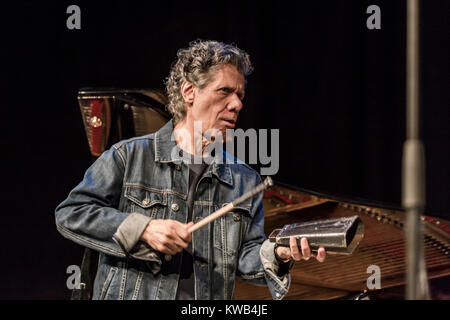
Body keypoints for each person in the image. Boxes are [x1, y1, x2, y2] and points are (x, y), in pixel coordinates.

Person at [55, 40, 326, 300]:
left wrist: (278, 254)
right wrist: (144, 229)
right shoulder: (129, 156)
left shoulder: (245, 180)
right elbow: (71, 214)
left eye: (240, 95)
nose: (237, 104)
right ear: (189, 92)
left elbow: (246, 261)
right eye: (225, 91)